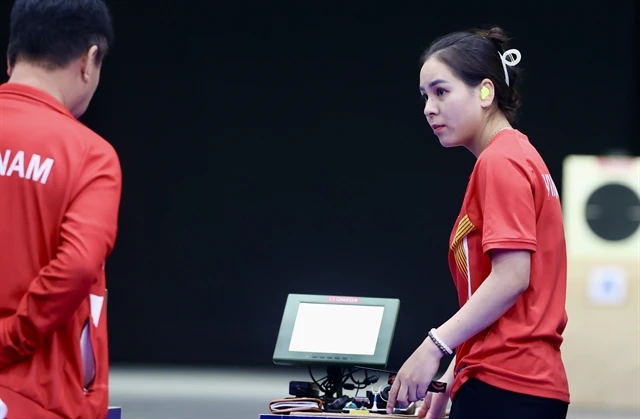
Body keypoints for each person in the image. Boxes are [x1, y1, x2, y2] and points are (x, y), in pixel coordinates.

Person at [386, 27, 570, 419]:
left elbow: (511, 278)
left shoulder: (500, 161)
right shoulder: (518, 154)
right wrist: (452, 378)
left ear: (485, 92)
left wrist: (432, 348)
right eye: (424, 96)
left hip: (507, 387)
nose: (428, 108)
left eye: (441, 91)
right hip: (510, 383)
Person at [0, 0, 120, 418]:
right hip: (40, 399)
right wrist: (8, 341)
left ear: (11, 56)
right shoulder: (91, 155)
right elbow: (77, 265)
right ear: (89, 61)